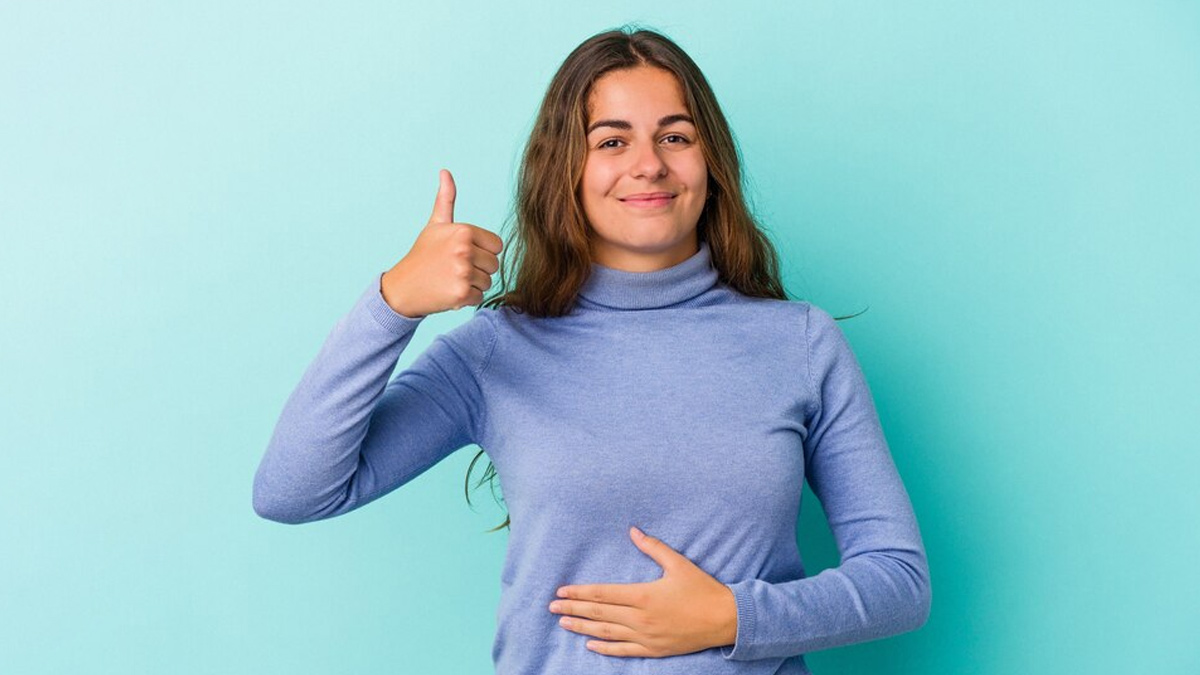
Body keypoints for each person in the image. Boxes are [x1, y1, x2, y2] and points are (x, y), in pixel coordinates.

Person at [253, 25, 931, 675]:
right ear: (567, 168)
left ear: (711, 163)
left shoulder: (801, 342)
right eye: (611, 140)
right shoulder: (496, 351)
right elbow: (292, 490)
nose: (649, 163)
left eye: (675, 135)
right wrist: (393, 301)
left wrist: (732, 616)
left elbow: (899, 577)